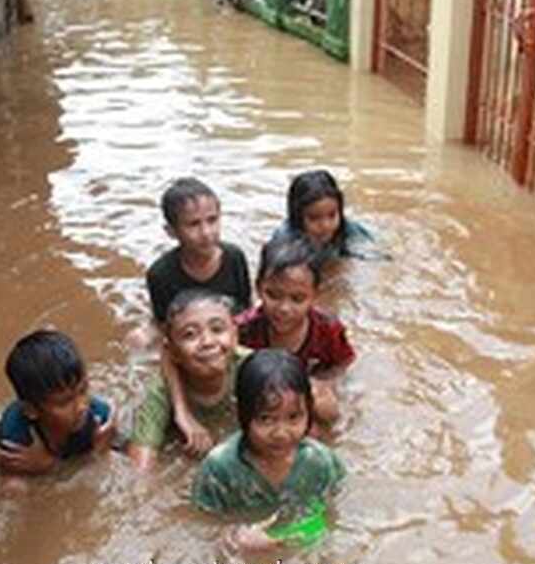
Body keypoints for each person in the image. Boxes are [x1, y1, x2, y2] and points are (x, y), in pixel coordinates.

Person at [191, 349, 346, 553]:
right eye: (266, 419)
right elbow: (199, 525)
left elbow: (335, 507)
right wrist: (236, 538)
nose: (281, 433)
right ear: (242, 413)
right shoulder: (219, 468)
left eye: (293, 417)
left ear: (309, 411)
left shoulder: (320, 461)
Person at [237, 235, 354, 426]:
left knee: (328, 412)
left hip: (309, 385)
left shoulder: (328, 330)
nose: (284, 308)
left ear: (315, 296)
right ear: (258, 288)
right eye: (273, 295)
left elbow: (343, 363)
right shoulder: (244, 330)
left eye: (297, 299)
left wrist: (324, 383)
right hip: (266, 393)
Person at [128, 290, 248, 471]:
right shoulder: (160, 391)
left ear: (235, 335)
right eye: (190, 335)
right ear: (173, 352)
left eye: (217, 329)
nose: (207, 342)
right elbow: (139, 472)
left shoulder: (250, 366)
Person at [0, 330, 116, 474]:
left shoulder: (98, 416)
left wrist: (99, 451)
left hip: (70, 451)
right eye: (64, 403)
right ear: (31, 410)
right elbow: (5, 476)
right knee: (14, 487)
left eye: (83, 390)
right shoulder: (15, 434)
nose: (82, 406)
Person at [139, 177, 251, 336]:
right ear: (171, 231)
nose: (206, 233)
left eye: (212, 220)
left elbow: (246, 309)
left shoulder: (235, 258)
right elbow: (165, 328)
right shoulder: (160, 274)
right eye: (193, 224)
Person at [271, 169, 382, 266]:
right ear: (298, 217)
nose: (326, 225)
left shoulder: (348, 228)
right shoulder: (285, 239)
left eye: (332, 215)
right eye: (314, 218)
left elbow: (373, 249)